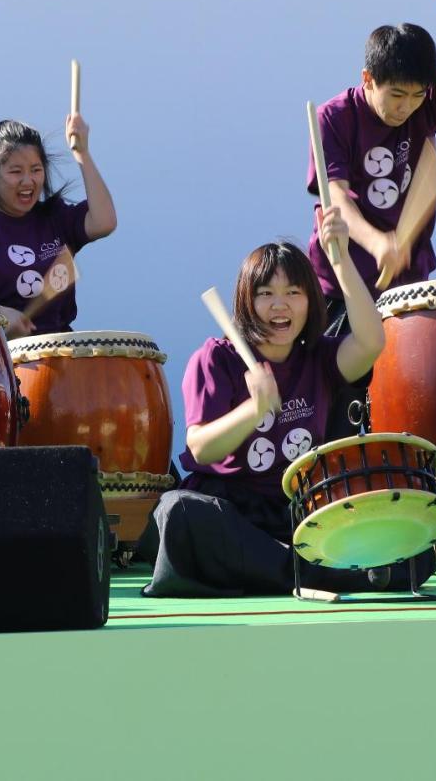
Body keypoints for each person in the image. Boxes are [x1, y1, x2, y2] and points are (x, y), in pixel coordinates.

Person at [138, 214, 414, 597]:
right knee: (179, 512)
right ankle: (317, 572)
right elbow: (201, 446)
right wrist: (253, 409)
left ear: (310, 300)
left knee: (406, 523)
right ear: (246, 301)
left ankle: (289, 570)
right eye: (265, 293)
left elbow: (370, 343)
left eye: (293, 293)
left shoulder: (317, 357)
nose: (279, 305)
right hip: (231, 510)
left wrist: (342, 261)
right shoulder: (216, 358)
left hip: (298, 510)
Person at [306, 0, 436, 321]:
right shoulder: (334, 117)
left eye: (417, 95)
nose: (407, 107)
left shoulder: (425, 104)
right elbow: (336, 196)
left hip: (409, 285)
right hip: (345, 285)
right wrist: (378, 243)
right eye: (397, 96)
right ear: (368, 78)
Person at [0, 117, 116, 338]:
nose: (28, 181)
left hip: (60, 355)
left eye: (36, 170)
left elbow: (104, 222)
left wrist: (82, 154)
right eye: (16, 171)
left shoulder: (55, 216)